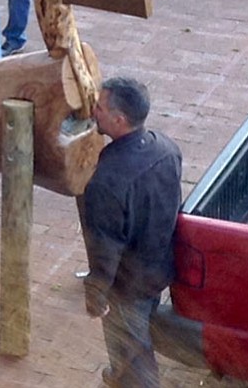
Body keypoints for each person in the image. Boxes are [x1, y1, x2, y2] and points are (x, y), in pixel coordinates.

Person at [81, 77, 182, 388]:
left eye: (98, 107)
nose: (93, 111)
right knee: (138, 331)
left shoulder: (107, 182)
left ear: (118, 119)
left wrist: (96, 293)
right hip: (160, 266)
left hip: (128, 284)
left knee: (132, 350)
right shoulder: (166, 148)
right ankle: (119, 374)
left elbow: (105, 250)